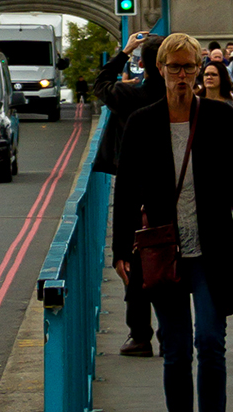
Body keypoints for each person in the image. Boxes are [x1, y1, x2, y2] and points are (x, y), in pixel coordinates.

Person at [112, 31, 233, 412]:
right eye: (174, 67)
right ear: (160, 69)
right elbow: (127, 190)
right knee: (176, 349)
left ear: (198, 70)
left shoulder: (219, 117)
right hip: (164, 250)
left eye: (189, 67)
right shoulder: (142, 123)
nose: (182, 75)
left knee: (211, 342)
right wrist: (120, 251)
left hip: (212, 249)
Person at [97, 31, 166, 359]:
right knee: (169, 258)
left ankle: (140, 335)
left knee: (135, 262)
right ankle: (171, 331)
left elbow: (102, 84)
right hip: (172, 187)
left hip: (135, 186)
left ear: (143, 64)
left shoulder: (128, 96)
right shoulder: (179, 99)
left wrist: (124, 51)